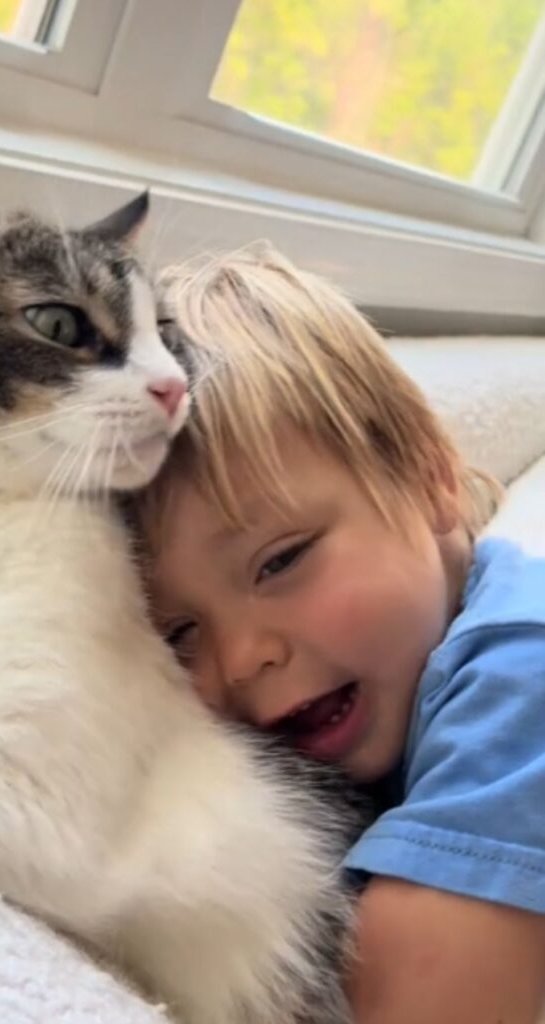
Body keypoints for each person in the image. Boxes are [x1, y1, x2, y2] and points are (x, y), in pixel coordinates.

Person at [139, 244, 545, 1024]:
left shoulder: (523, 671)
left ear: (426, 477)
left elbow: (428, 994)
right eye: (179, 633)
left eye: (280, 560)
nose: (240, 657)